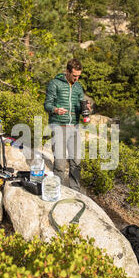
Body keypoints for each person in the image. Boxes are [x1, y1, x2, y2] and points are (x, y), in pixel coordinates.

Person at [44, 58, 90, 192]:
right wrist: (56, 110)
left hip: (74, 127)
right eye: (74, 76)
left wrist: (86, 108)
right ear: (67, 72)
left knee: (76, 161)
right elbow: (47, 105)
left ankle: (75, 190)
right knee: (60, 162)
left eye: (79, 76)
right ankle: (60, 190)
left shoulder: (78, 87)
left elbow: (81, 106)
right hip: (58, 126)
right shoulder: (55, 84)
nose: (76, 79)